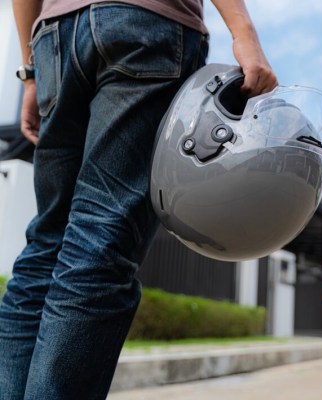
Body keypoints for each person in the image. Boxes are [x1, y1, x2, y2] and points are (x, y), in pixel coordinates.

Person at [0, 0, 277, 398]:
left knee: (46, 246)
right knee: (98, 243)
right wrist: (243, 32)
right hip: (143, 22)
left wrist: (31, 74)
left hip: (54, 38)